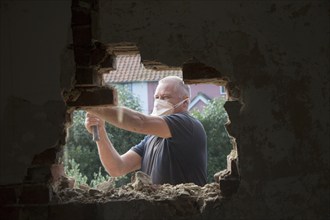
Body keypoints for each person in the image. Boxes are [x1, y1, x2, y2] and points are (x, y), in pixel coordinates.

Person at [84, 76, 207, 186]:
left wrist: (92, 105)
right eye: (156, 97)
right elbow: (117, 168)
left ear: (185, 103)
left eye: (166, 97)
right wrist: (100, 131)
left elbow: (139, 122)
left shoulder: (187, 125)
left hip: (185, 210)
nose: (159, 102)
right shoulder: (151, 138)